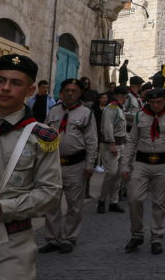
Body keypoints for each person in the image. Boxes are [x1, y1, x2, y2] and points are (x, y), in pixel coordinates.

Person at [0, 55, 61, 279]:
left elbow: (50, 192)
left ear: (30, 91)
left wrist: (2, 208)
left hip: (10, 243)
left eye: (16, 83)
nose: (6, 88)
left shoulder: (42, 136)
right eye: (1, 81)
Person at [123, 87, 165, 255]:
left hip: (163, 163)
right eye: (152, 102)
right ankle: (137, 235)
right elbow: (131, 141)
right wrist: (125, 164)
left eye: (159, 102)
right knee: (134, 198)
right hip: (142, 162)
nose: (156, 105)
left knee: (159, 202)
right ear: (147, 101)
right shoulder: (140, 116)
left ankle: (157, 238)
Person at [40, 78, 98, 254]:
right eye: (67, 91)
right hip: (53, 164)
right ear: (61, 93)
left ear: (79, 94)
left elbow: (92, 141)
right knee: (52, 204)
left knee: (74, 205)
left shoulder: (86, 113)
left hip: (76, 165)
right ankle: (53, 239)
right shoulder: (53, 111)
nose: (70, 94)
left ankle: (69, 238)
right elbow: (43, 134)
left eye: (74, 91)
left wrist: (90, 164)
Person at [98, 85, 128, 215]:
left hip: (121, 144)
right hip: (111, 144)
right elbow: (108, 127)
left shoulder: (119, 109)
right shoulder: (112, 108)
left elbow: (121, 129)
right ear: (124, 97)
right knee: (111, 173)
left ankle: (114, 202)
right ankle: (102, 200)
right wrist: (112, 144)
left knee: (118, 174)